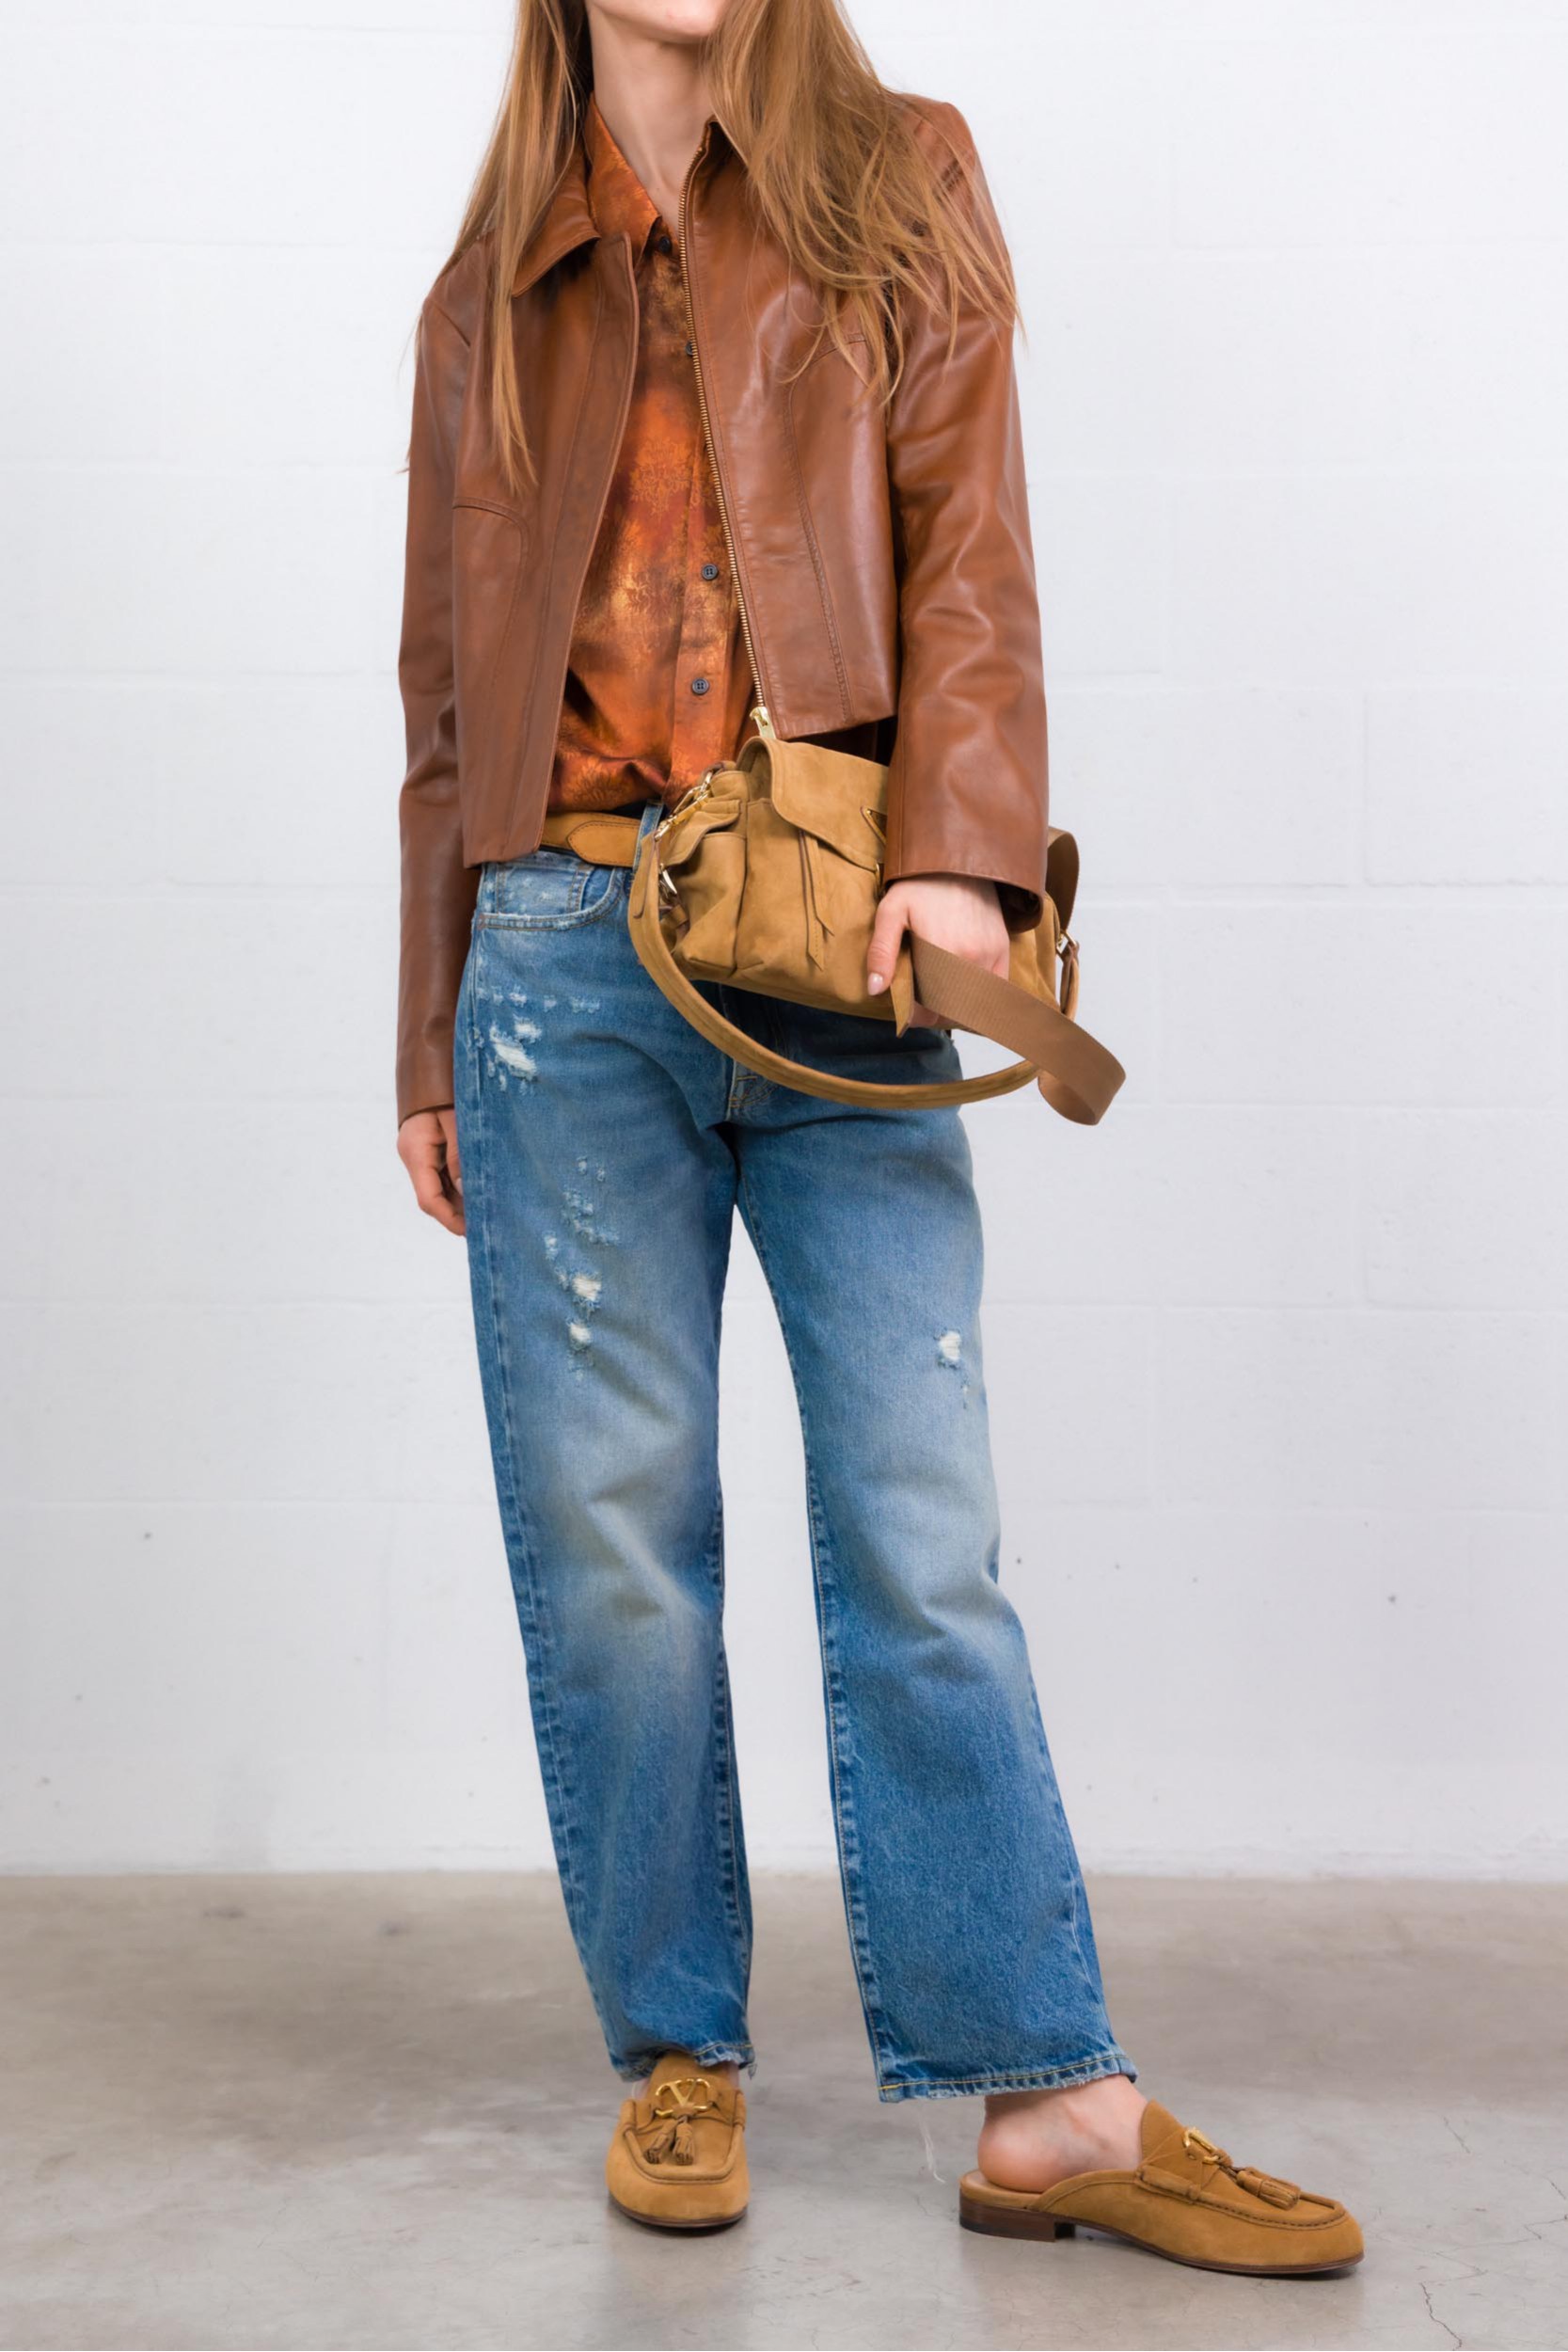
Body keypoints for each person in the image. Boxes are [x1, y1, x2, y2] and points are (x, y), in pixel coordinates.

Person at [393, 0, 1363, 2275]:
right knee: (612, 1542)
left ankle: (1043, 2088)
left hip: (848, 936)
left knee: (922, 1528)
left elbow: (971, 559)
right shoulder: (488, 282)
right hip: (557, 959)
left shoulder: (899, 172)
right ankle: (677, 2044)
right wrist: (426, 1029)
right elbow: (440, 689)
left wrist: (965, 852)